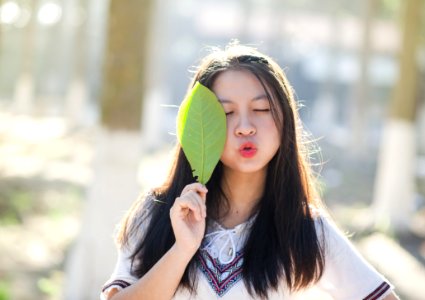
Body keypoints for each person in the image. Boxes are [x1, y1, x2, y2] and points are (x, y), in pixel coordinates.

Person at [101, 43, 399, 300]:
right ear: (199, 126)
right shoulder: (160, 212)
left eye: (261, 109)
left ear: (286, 119)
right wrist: (182, 250)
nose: (245, 127)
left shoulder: (304, 230)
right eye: (226, 113)